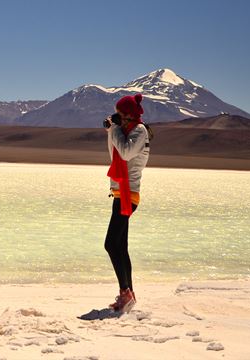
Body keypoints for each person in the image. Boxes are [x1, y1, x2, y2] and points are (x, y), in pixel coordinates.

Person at [104, 93, 150, 314]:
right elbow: (114, 153)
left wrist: (114, 130)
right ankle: (128, 294)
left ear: (130, 115)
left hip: (128, 194)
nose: (118, 119)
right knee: (120, 246)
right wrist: (113, 129)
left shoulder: (140, 132)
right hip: (120, 192)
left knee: (111, 244)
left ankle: (126, 293)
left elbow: (124, 152)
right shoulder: (127, 131)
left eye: (121, 115)